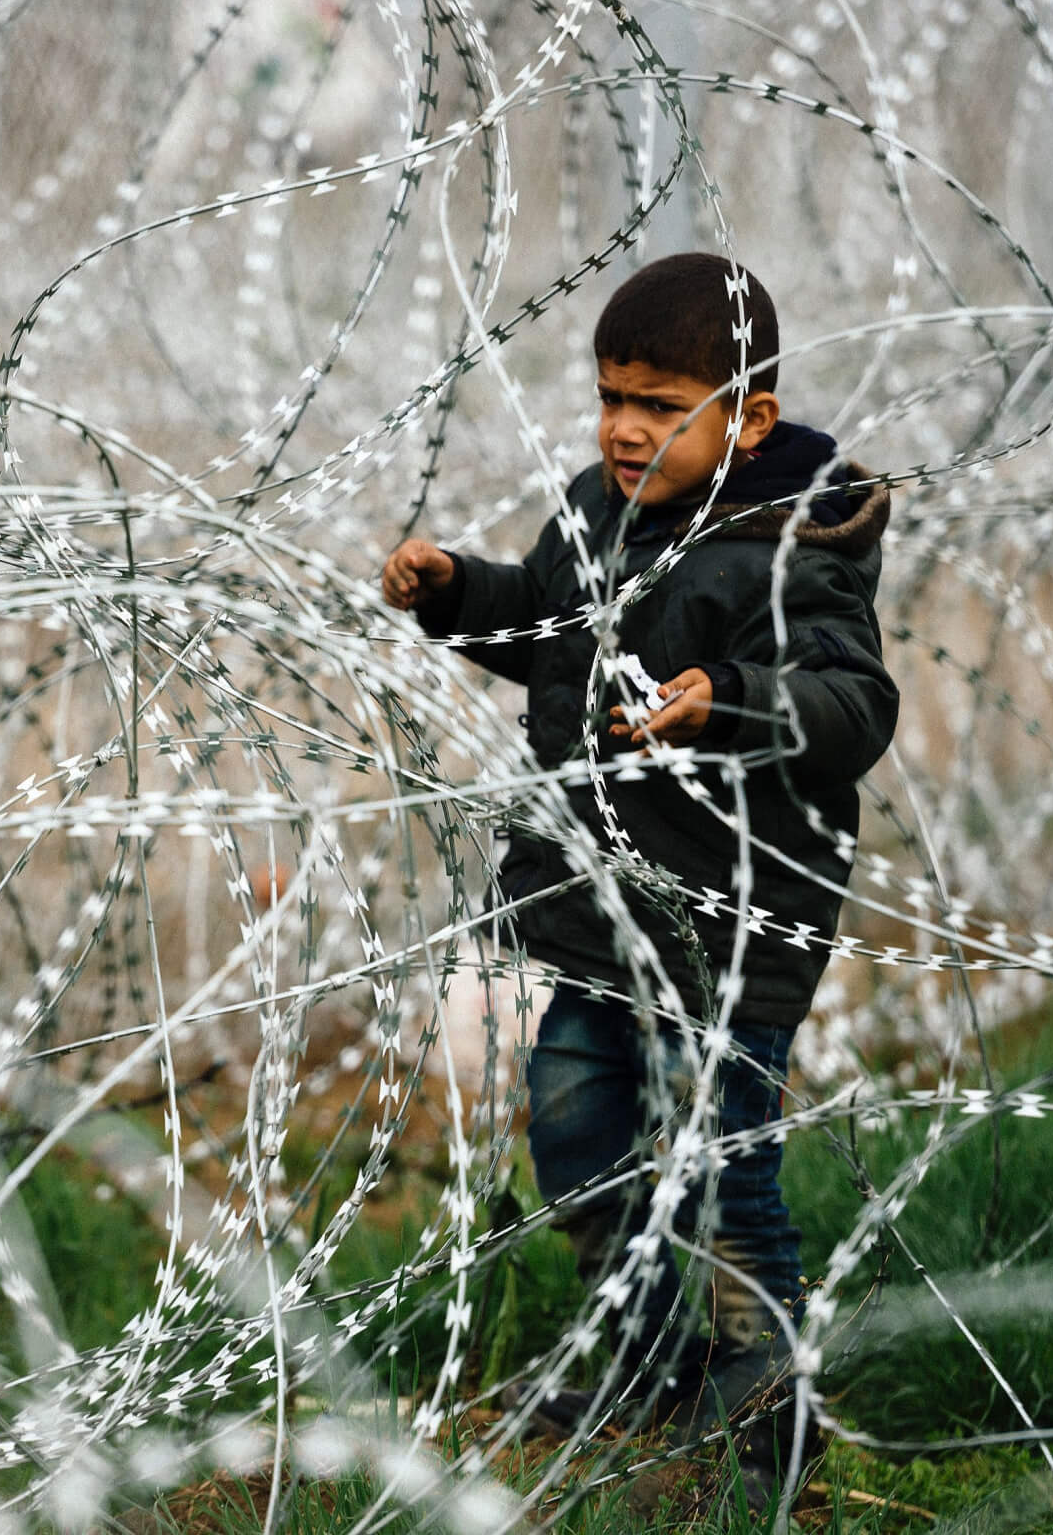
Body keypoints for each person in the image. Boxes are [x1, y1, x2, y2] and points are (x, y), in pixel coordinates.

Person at [380, 251, 895, 1499]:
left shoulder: (791, 547)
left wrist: (729, 705)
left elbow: (855, 701)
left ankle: (762, 1411)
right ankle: (643, 1349)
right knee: (573, 1129)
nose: (623, 428)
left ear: (747, 420)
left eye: (661, 408)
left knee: (727, 1172)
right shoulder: (591, 515)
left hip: (730, 930)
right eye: (611, 397)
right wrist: (456, 597)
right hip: (601, 915)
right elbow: (550, 632)